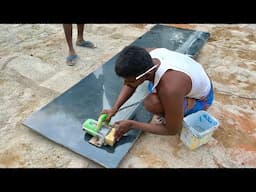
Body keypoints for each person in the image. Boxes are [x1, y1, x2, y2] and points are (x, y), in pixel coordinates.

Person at [100, 45, 214, 141]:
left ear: (147, 75)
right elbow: (130, 84)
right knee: (155, 89)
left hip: (203, 99)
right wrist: (115, 108)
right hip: (188, 80)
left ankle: (188, 103)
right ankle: (178, 101)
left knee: (152, 103)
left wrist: (132, 124)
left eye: (128, 80)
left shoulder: (170, 88)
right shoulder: (147, 55)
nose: (125, 83)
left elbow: (172, 130)